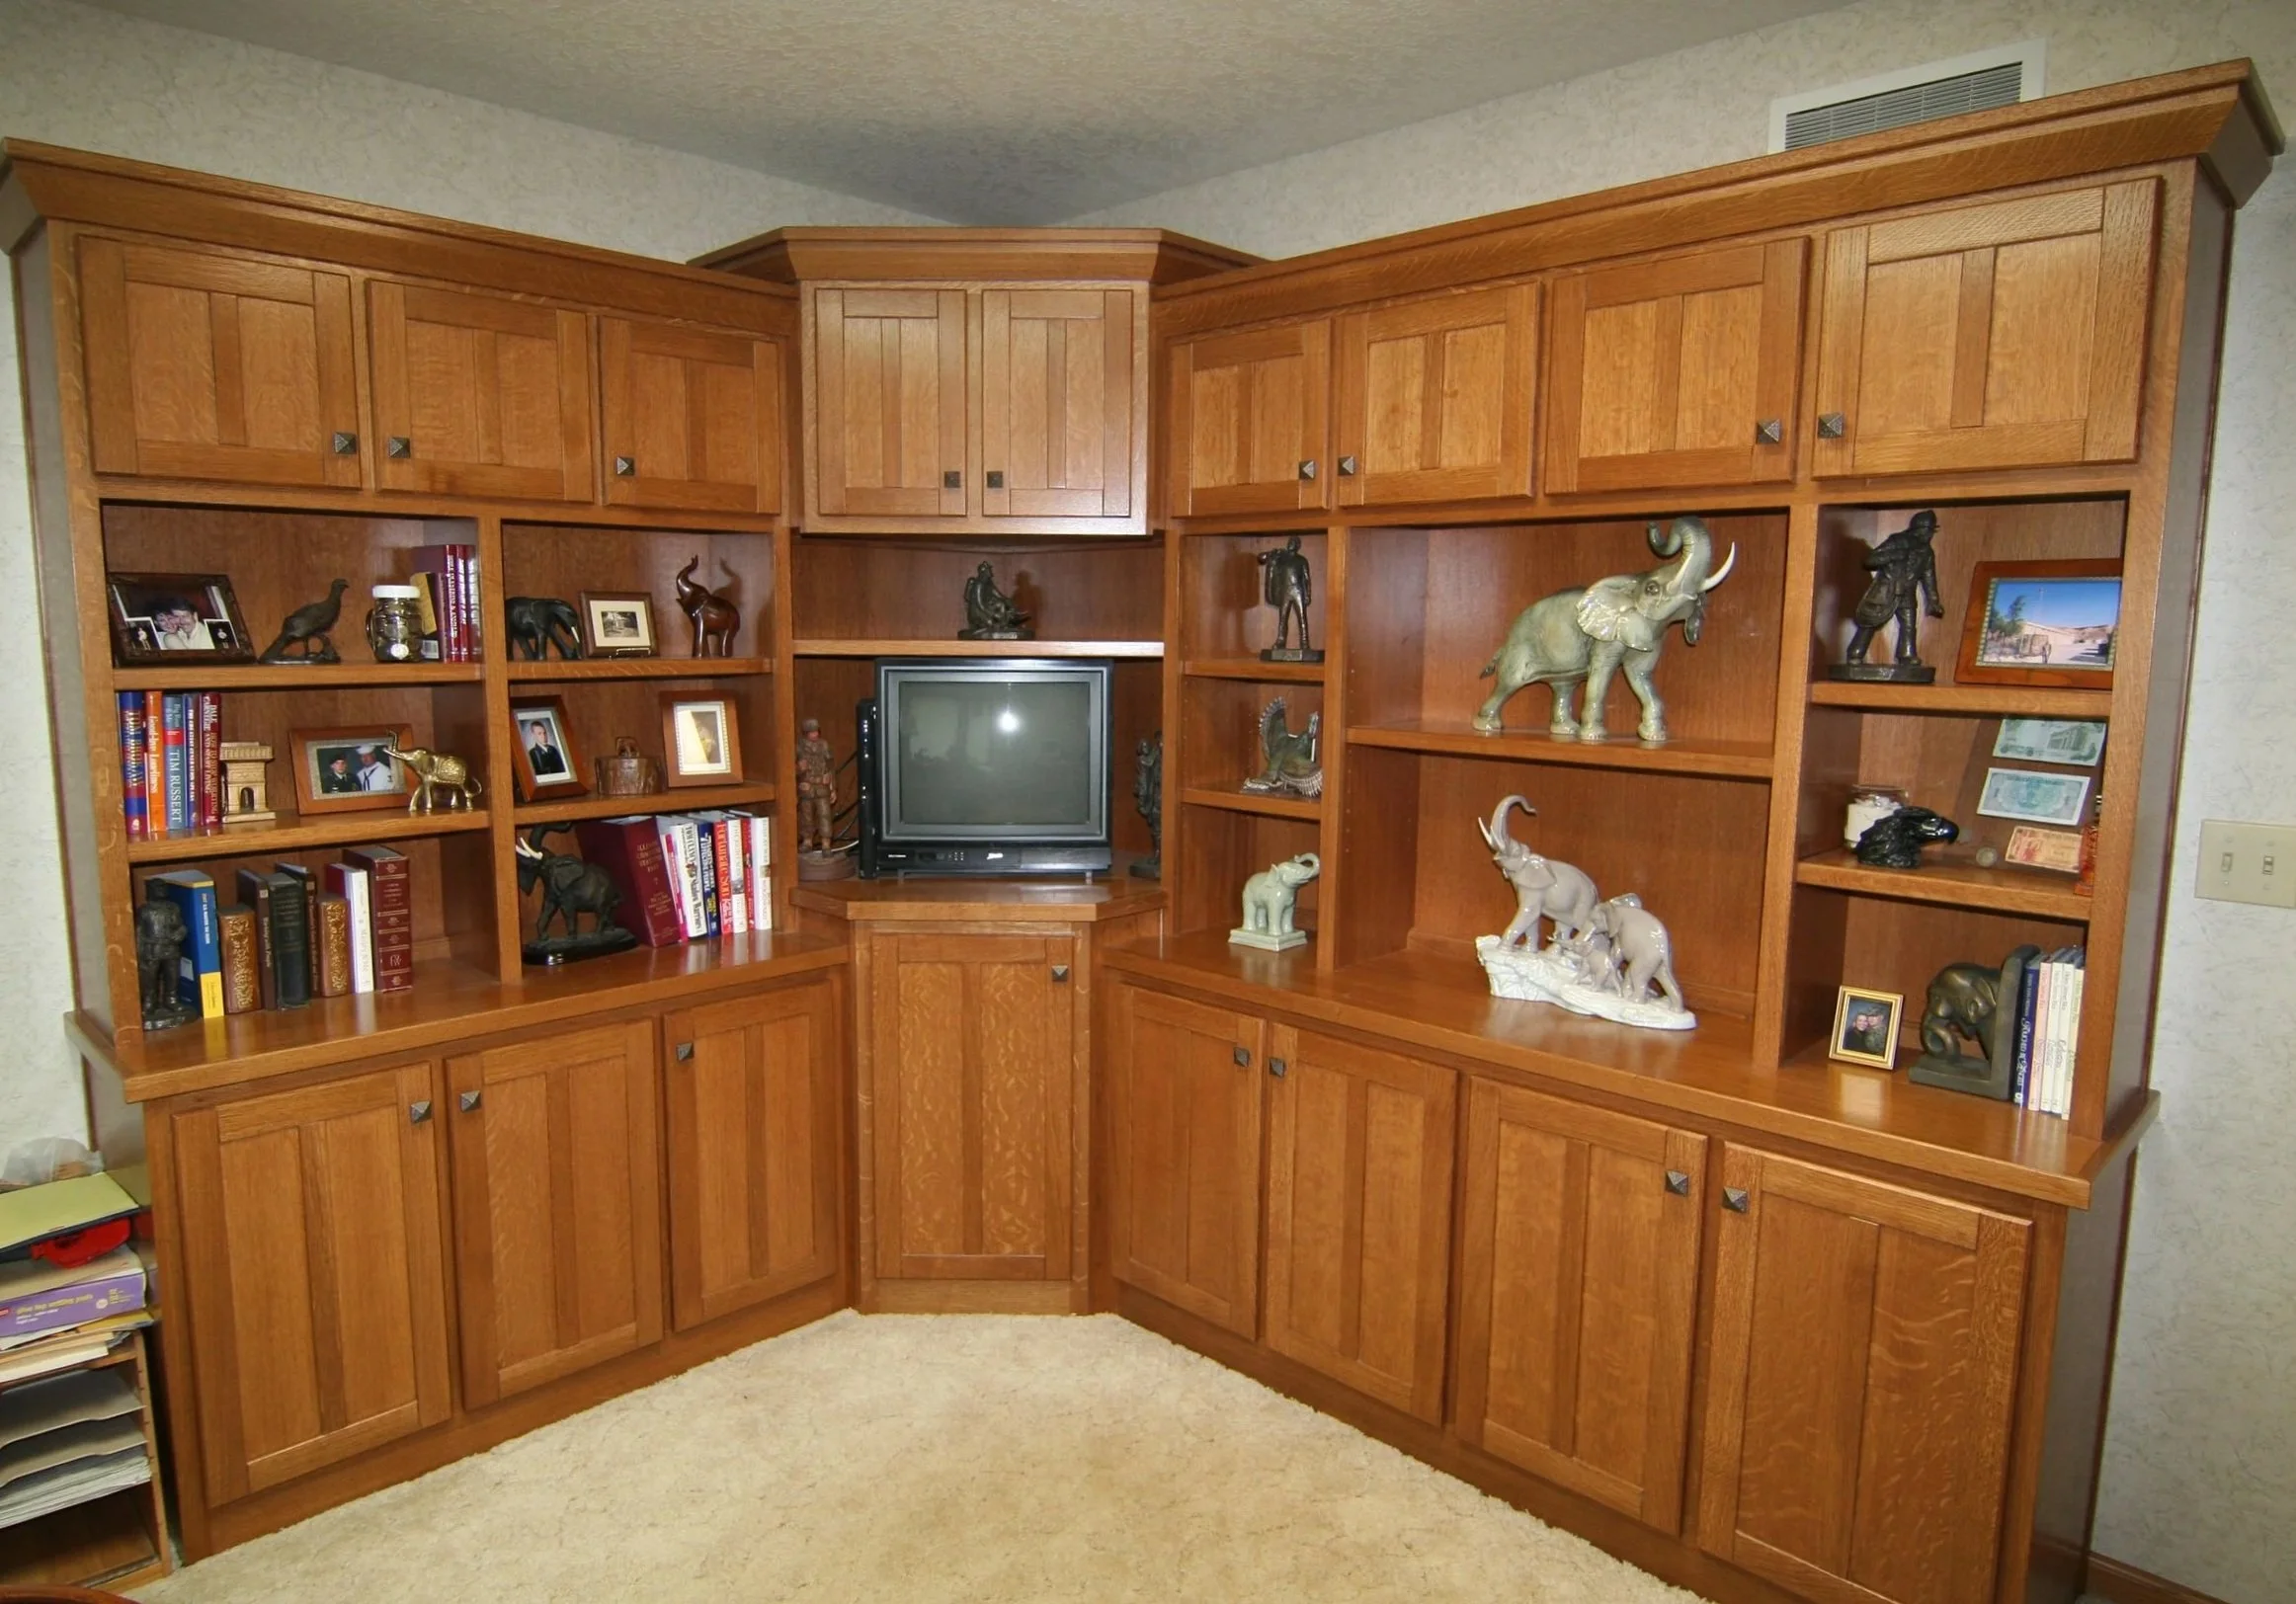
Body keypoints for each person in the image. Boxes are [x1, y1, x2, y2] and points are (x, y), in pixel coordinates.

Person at [1845, 511, 1943, 668]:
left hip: (1907, 593)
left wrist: (1933, 601)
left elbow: (1929, 578)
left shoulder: (1927, 552)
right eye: (1928, 530)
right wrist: (1894, 554)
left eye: (1932, 531)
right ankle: (1855, 654)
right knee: (1870, 622)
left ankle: (1906, 654)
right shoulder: (1897, 541)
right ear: (1919, 529)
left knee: (1909, 625)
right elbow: (1870, 560)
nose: (1930, 535)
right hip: (1886, 591)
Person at [1256, 534, 1314, 655]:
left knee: (1302, 618)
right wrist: (1273, 554)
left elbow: (1307, 579)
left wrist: (1308, 594)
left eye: (1293, 542)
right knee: (1283, 619)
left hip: (1298, 590)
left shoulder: (1302, 560)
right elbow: (1262, 558)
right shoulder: (1282, 558)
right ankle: (1281, 641)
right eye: (1290, 541)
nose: (1290, 544)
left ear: (1298, 546)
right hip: (1286, 591)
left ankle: (1304, 643)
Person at [795, 717, 836, 853]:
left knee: (825, 815)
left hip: (822, 787)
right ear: (806, 733)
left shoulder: (824, 745)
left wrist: (833, 788)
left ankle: (826, 843)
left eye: (816, 731)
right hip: (807, 788)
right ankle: (807, 841)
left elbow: (831, 767)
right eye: (812, 732)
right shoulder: (799, 747)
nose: (815, 734)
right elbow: (788, 770)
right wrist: (799, 768)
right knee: (807, 816)